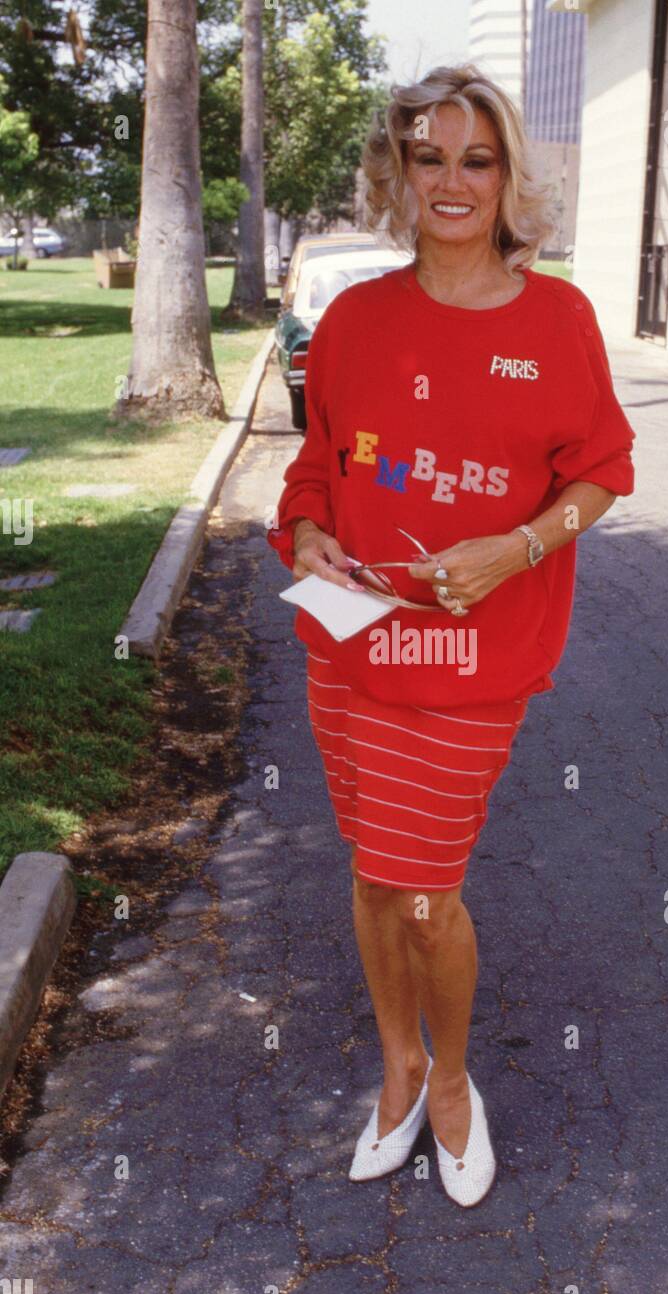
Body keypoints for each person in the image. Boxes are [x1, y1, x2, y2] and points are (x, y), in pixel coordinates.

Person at [267, 64, 636, 1207]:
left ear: (510, 177)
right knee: (375, 878)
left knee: (423, 882)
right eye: (429, 155)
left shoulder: (558, 318)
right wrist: (312, 535)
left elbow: (600, 474)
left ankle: (456, 1080)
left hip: (474, 664)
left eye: (477, 159)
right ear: (398, 169)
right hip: (352, 646)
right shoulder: (355, 320)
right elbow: (319, 466)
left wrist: (515, 547)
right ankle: (397, 1064)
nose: (452, 179)